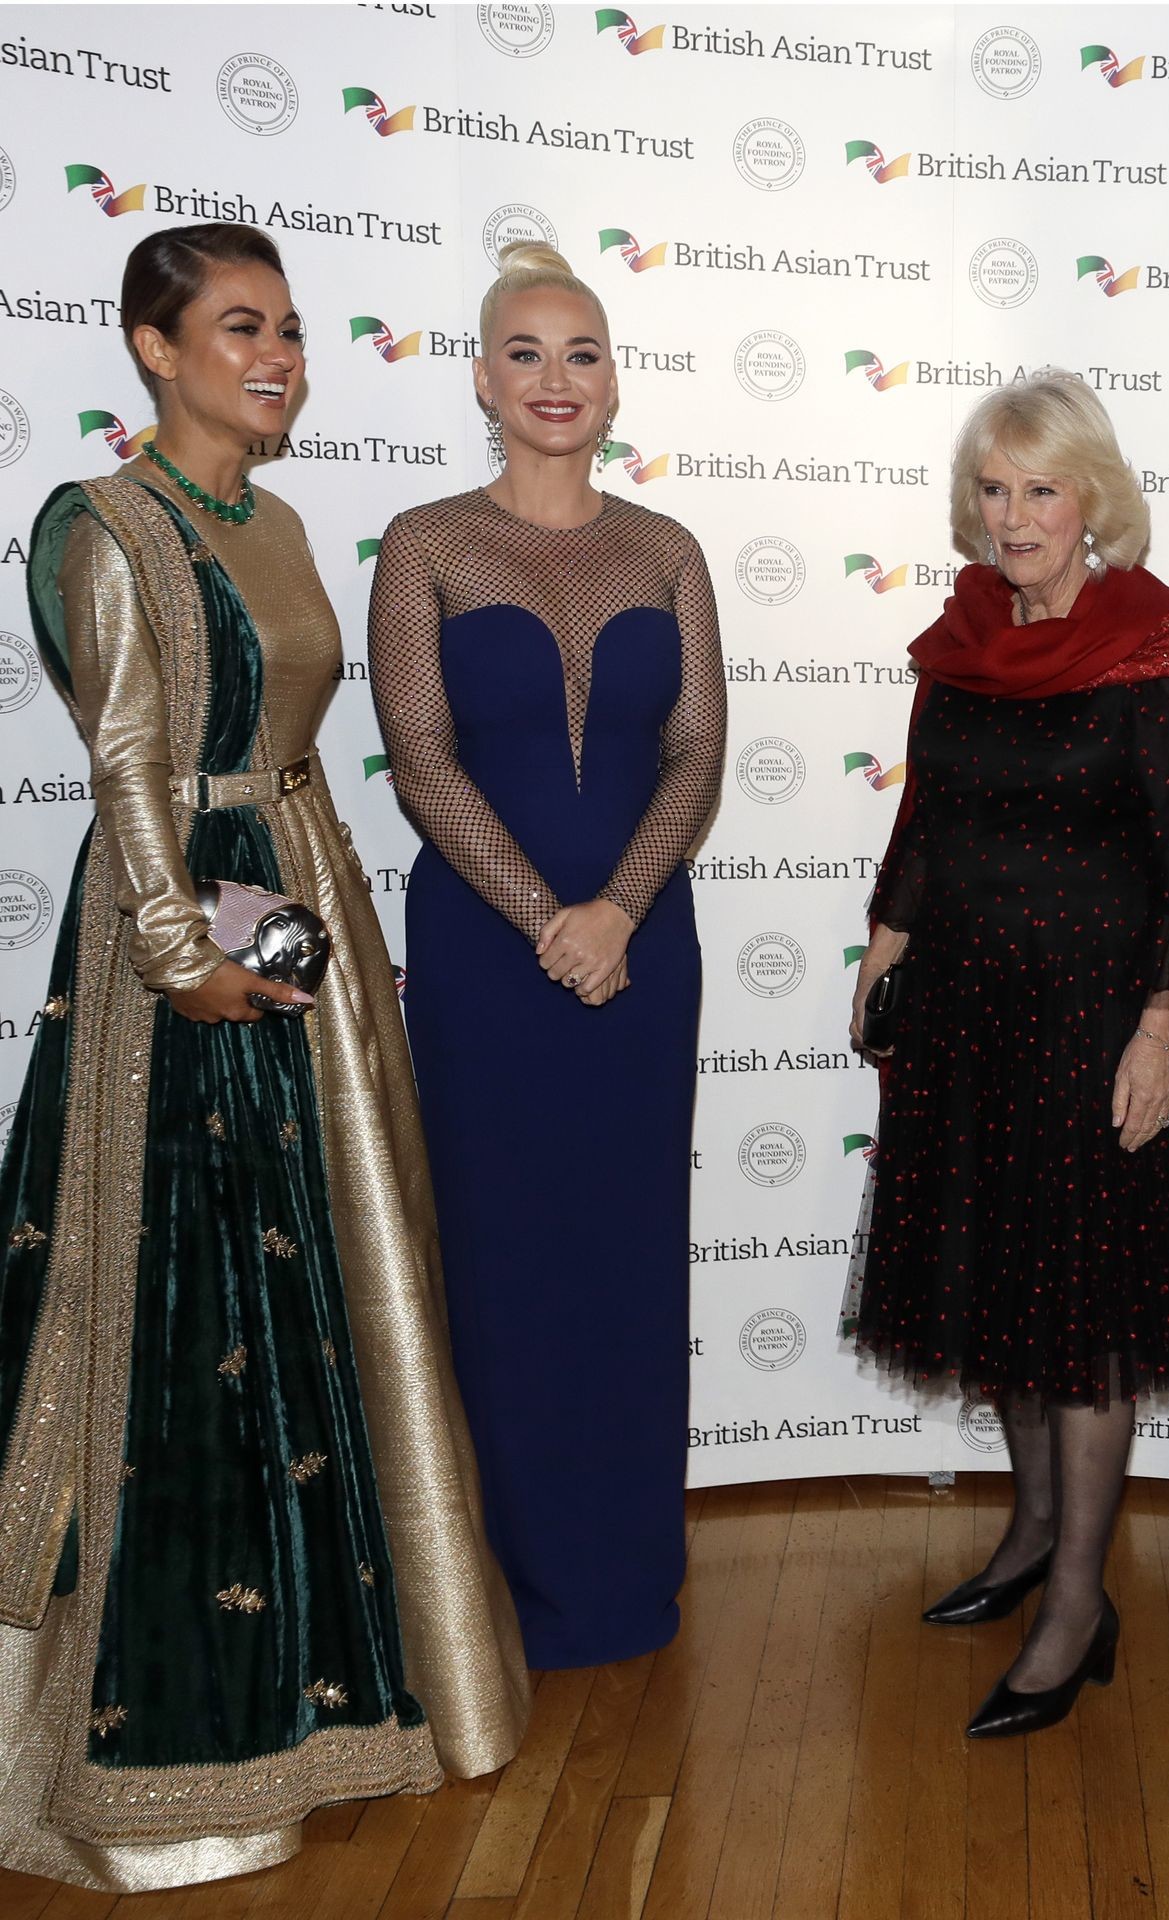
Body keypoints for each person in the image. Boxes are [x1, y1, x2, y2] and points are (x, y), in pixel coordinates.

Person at [0, 223, 528, 1893]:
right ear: (154, 350)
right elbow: (128, 761)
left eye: (289, 328)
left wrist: (306, 927)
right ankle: (178, 1748)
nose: (278, 357)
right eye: (239, 329)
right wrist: (181, 962)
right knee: (195, 1311)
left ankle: (358, 1681)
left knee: (329, 1288)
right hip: (184, 943)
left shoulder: (281, 521)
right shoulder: (102, 526)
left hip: (299, 909)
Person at [847, 371, 1169, 1739]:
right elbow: (928, 814)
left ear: (1093, 501)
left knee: (1084, 1318)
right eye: (995, 489)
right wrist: (885, 941)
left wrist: (1160, 1030)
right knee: (999, 1284)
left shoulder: (1156, 645)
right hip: (965, 1009)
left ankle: (1077, 1601)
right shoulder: (961, 635)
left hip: (1092, 1020)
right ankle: (1026, 1537)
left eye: (1042, 490)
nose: (1014, 517)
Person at [367, 244, 725, 1670]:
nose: (555, 379)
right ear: (481, 379)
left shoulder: (668, 550)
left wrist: (619, 909)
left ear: (615, 381)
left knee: (627, 1256)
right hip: (484, 957)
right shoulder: (426, 543)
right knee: (501, 1255)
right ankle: (502, 1586)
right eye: (525, 352)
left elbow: (696, 755)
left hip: (644, 953)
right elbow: (417, 758)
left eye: (581, 353)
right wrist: (545, 919)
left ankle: (626, 1574)